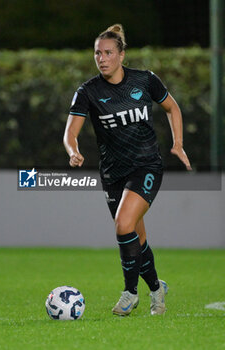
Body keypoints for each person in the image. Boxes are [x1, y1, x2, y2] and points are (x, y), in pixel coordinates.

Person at [63, 24, 192, 316]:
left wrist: (178, 143)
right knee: (136, 237)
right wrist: (74, 151)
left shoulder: (145, 81)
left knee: (123, 224)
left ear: (122, 55)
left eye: (108, 52)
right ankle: (157, 290)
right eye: (98, 53)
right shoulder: (88, 92)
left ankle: (130, 293)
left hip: (146, 165)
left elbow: (172, 108)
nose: (102, 58)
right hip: (113, 174)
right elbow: (70, 132)